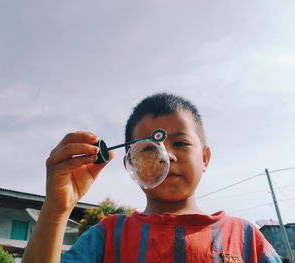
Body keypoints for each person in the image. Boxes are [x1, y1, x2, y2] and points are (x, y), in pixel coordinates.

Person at [22, 93, 281, 263]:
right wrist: (56, 209)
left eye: (180, 142)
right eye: (148, 148)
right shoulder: (108, 236)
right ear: (130, 165)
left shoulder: (246, 237)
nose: (165, 155)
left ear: (205, 158)